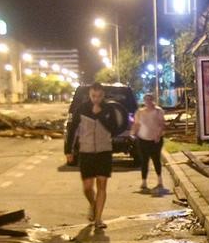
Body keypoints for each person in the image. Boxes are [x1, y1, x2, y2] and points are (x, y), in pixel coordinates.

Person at [64, 83, 120, 228]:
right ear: (89, 94)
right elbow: (72, 129)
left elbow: (114, 130)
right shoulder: (82, 109)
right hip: (86, 152)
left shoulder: (109, 109)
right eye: (94, 96)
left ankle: (98, 219)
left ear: (103, 95)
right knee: (87, 187)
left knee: (102, 184)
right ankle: (93, 204)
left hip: (104, 152)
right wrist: (68, 150)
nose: (96, 99)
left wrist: (100, 114)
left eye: (99, 96)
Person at [131, 93, 166, 191]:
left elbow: (162, 124)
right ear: (144, 101)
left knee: (156, 159)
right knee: (144, 161)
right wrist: (133, 133)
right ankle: (144, 181)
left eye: (150, 99)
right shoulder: (140, 112)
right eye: (146, 100)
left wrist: (158, 135)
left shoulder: (158, 111)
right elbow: (136, 124)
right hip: (143, 139)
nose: (148, 102)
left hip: (155, 140)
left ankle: (159, 180)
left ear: (152, 100)